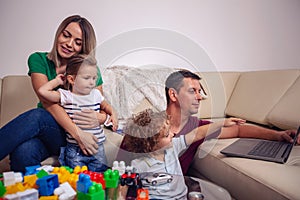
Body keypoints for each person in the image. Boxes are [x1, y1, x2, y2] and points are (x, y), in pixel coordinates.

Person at [117, 69, 298, 175]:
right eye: (192, 91)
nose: (199, 97)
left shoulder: (198, 127)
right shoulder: (145, 128)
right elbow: (118, 168)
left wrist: (278, 135)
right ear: (173, 94)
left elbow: (237, 130)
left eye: (199, 92)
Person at [0, 15, 111, 172]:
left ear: (83, 47)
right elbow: (47, 102)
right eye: (66, 35)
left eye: (78, 42)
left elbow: (99, 107)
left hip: (74, 138)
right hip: (54, 132)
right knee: (24, 150)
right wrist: (78, 134)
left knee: (37, 116)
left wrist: (103, 117)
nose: (69, 44)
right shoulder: (38, 59)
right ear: (59, 33)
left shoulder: (89, 70)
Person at [123, 109, 245, 199]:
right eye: (166, 135)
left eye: (170, 131)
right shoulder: (139, 165)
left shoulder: (173, 147)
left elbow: (197, 133)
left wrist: (222, 123)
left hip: (182, 197)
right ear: (150, 144)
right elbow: (124, 184)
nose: (172, 134)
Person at [38, 54, 117, 172]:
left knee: (99, 179)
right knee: (77, 181)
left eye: (94, 78)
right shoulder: (67, 96)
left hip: (97, 148)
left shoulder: (95, 94)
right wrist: (57, 81)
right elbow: (42, 91)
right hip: (75, 150)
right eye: (87, 78)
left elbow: (106, 106)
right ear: (72, 79)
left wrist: (113, 114)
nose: (92, 82)